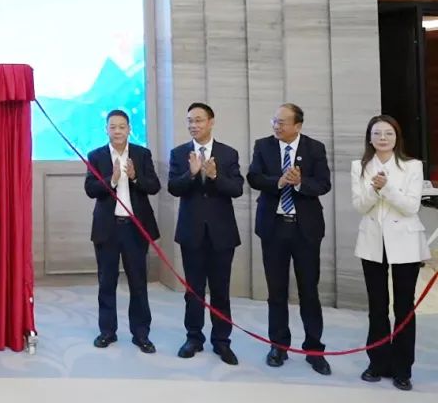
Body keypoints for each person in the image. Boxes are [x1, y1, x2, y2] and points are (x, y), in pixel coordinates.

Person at [247, 103, 332, 374]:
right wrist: (280, 182)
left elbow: (324, 184)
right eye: (274, 121)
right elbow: (254, 178)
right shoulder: (263, 146)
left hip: (305, 229)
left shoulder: (314, 148)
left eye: (282, 122)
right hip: (273, 228)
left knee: (309, 290)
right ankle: (278, 345)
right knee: (276, 291)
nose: (276, 126)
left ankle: (314, 349)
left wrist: (299, 183)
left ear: (298, 125)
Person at [352, 115, 430, 392]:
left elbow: (410, 207)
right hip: (372, 243)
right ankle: (377, 363)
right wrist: (374, 190)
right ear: (369, 138)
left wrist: (386, 188)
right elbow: (360, 206)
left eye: (388, 133)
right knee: (377, 306)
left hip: (405, 244)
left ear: (397, 137)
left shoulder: (412, 166)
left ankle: (402, 368)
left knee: (404, 307)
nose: (383, 138)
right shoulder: (360, 166)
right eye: (377, 133)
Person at [167, 102, 243, 365]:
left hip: (222, 234)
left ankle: (222, 341)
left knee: (221, 291)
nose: (193, 125)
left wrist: (214, 177)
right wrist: (191, 175)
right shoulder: (179, 153)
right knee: (194, 291)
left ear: (211, 122)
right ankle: (193, 338)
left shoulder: (228, 153)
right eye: (190, 121)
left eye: (198, 120)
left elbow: (237, 189)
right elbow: (173, 188)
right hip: (192, 233)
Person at [84, 109, 161, 353]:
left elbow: (154, 186)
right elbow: (90, 189)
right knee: (106, 283)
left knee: (138, 283)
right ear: (106, 130)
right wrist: (112, 179)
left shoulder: (141, 154)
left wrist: (135, 177)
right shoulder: (96, 156)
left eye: (122, 127)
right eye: (113, 127)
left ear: (129, 129)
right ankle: (107, 332)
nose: (117, 131)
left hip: (135, 229)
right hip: (107, 229)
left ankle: (141, 334)